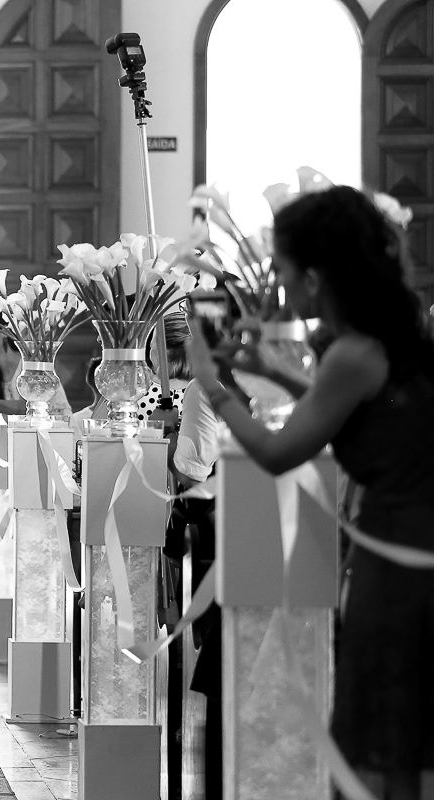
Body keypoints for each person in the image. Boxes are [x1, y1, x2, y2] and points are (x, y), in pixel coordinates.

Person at [187, 185, 434, 800]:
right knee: (405, 739)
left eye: (287, 270)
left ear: (317, 278)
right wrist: (271, 370)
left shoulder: (351, 354)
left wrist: (213, 385)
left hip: (397, 569)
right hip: (415, 549)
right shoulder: (397, 338)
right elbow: (360, 416)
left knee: (381, 742)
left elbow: (276, 453)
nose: (281, 283)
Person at [0, 325, 71, 417]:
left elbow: (25, 407)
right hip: (23, 435)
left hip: (58, 431)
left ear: (3, 332)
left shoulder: (32, 362)